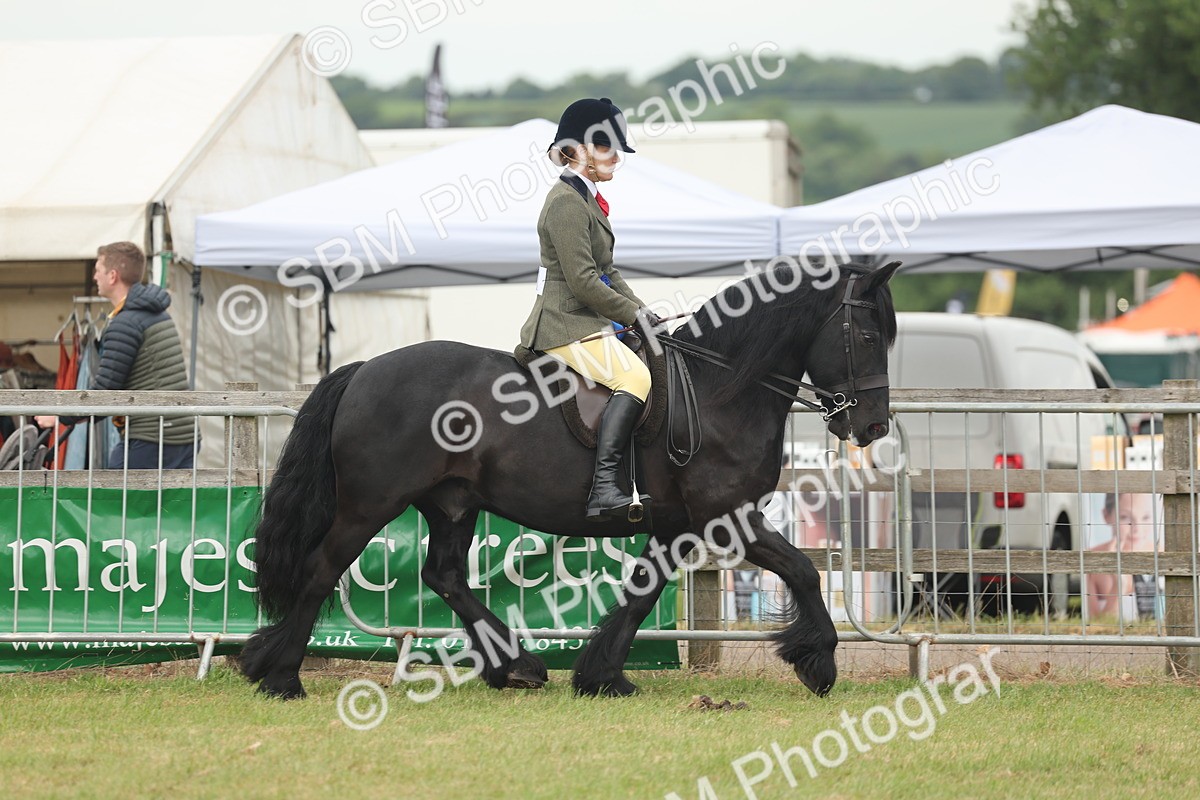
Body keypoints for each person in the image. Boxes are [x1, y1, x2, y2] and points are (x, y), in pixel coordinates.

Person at [519, 97, 662, 522]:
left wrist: (643, 312)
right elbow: (583, 281)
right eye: (606, 148)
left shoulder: (587, 199)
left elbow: (608, 272)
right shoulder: (565, 202)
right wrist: (631, 316)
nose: (616, 157)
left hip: (586, 318)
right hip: (563, 322)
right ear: (576, 150)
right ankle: (604, 489)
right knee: (635, 375)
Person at [35, 242, 196, 469]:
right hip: (180, 434)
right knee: (172, 505)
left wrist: (60, 417)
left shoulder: (126, 322)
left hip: (153, 438)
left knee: (114, 503)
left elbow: (106, 392)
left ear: (112, 276)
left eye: (98, 270)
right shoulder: (155, 313)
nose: (94, 277)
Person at [1087, 492, 1160, 620]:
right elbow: (1096, 630)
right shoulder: (1091, 561)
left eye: (1146, 517)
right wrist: (1118, 587)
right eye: (1125, 517)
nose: (1137, 528)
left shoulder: (1166, 555)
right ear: (1106, 515)